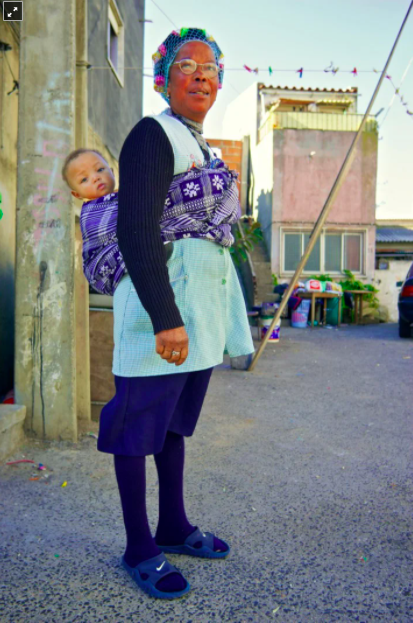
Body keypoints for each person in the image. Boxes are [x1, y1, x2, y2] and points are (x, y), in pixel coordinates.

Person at [97, 28, 255, 600]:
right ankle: (141, 547)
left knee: (170, 429)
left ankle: (174, 525)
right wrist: (165, 318)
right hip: (161, 316)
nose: (203, 76)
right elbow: (135, 231)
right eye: (187, 66)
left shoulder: (199, 144)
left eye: (211, 68)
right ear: (165, 77)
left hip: (199, 318)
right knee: (137, 431)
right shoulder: (151, 134)